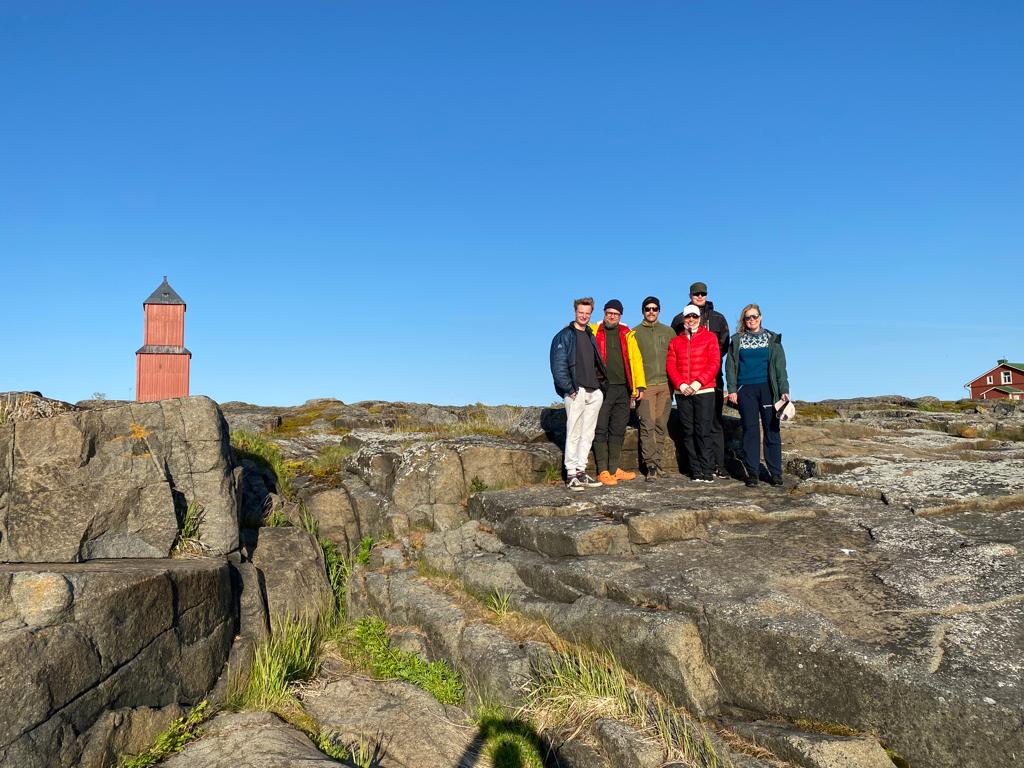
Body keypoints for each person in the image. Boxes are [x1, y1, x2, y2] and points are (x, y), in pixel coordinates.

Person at [725, 304, 790, 488]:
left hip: (768, 389)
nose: (751, 320)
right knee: (750, 430)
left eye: (754, 317)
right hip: (745, 390)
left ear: (760, 317)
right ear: (743, 321)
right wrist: (732, 389)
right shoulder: (737, 340)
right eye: (747, 318)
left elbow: (780, 367)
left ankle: (775, 474)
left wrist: (784, 389)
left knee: (772, 430)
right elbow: (730, 366)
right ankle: (753, 473)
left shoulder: (773, 339)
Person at [550, 297, 607, 492]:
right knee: (573, 433)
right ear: (575, 312)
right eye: (581, 312)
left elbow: (596, 363)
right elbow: (558, 366)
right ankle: (571, 474)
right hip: (576, 391)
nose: (584, 315)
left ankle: (581, 472)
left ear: (591, 314)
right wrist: (569, 388)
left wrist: (600, 387)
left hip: (594, 391)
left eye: (587, 313)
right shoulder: (564, 336)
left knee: (587, 434)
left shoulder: (590, 334)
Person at [590, 299, 646, 486]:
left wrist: (639, 386)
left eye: (616, 313)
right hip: (602, 388)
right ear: (604, 313)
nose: (612, 316)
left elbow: (636, 360)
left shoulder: (627, 333)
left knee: (618, 429)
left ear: (620, 316)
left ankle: (614, 469)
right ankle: (603, 471)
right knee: (600, 428)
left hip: (624, 388)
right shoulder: (594, 331)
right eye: (609, 313)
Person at [667, 304, 721, 482]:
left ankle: (707, 469)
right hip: (683, 393)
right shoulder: (676, 341)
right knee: (688, 431)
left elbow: (714, 363)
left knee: (703, 431)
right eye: (688, 317)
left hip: (704, 391)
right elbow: (671, 366)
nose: (691, 320)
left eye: (694, 316)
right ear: (683, 319)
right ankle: (695, 470)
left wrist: (697, 383)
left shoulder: (710, 337)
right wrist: (681, 385)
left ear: (699, 319)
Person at [628, 296, 675, 481]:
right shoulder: (635, 333)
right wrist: (634, 387)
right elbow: (630, 361)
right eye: (648, 309)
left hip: (665, 386)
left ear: (659, 311)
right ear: (643, 311)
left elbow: (675, 357)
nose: (651, 312)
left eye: (654, 309)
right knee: (647, 426)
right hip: (645, 387)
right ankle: (651, 466)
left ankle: (658, 463)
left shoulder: (668, 331)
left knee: (660, 425)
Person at [686, 281, 730, 477]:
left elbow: (723, 345)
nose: (700, 296)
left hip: (712, 379)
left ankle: (718, 465)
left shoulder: (718, 318)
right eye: (696, 293)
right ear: (690, 295)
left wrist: (707, 366)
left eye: (703, 293)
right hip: (687, 383)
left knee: (713, 422)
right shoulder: (681, 317)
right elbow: (676, 343)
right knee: (692, 425)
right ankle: (698, 466)